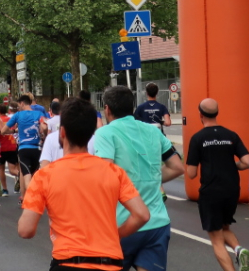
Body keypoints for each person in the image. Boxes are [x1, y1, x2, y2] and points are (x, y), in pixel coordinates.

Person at [18, 97, 151, 270]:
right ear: (91, 133)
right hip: (110, 262)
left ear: (62, 132)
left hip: (67, 262)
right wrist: (116, 235)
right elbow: (142, 215)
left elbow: (25, 230)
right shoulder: (114, 172)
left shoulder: (45, 175)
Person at [95, 86, 185, 271]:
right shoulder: (153, 132)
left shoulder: (105, 133)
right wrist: (152, 178)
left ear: (107, 109)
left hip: (122, 223)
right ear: (133, 107)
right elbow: (177, 167)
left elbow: (105, 175)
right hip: (157, 223)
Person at [186, 98, 249, 271]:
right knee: (224, 227)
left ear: (200, 114)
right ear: (217, 113)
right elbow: (248, 161)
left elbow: (191, 173)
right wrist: (234, 165)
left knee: (216, 239)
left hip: (211, 191)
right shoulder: (231, 135)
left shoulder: (197, 138)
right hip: (232, 190)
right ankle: (239, 250)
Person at [0, 94, 46, 203]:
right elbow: (44, 127)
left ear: (21, 103)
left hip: (23, 149)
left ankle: (30, 199)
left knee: (26, 175)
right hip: (37, 149)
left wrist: (14, 131)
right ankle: (34, 197)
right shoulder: (39, 114)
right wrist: (42, 134)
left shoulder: (18, 115)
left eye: (19, 105)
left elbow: (3, 131)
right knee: (34, 175)